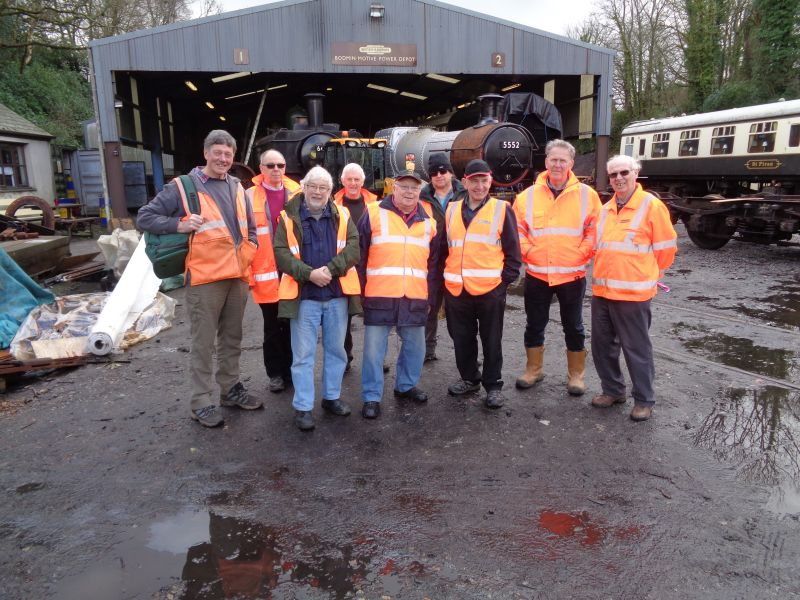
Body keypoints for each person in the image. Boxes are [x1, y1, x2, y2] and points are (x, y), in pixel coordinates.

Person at [137, 129, 261, 427]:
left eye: (228, 154)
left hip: (237, 276)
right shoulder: (184, 187)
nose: (222, 158)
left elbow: (252, 229)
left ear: (233, 158)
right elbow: (144, 217)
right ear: (206, 153)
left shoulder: (237, 187)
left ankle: (230, 389)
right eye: (217, 153)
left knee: (232, 338)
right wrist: (178, 224)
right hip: (205, 278)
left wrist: (250, 249)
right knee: (203, 342)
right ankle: (201, 402)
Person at [273, 166, 361, 431]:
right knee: (302, 356)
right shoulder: (288, 217)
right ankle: (303, 407)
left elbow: (354, 247)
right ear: (304, 186)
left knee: (336, 351)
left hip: (336, 296)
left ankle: (331, 397)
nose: (318, 192)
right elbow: (281, 253)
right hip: (305, 297)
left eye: (324, 188)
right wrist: (309, 275)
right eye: (314, 186)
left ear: (330, 191)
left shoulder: (342, 215)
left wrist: (331, 271)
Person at [590, 155, 677, 421]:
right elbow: (599, 248)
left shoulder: (651, 206)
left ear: (635, 173)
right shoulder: (605, 210)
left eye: (623, 172)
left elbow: (666, 250)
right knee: (602, 347)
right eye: (613, 174)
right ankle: (613, 390)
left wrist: (648, 274)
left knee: (636, 349)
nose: (618, 178)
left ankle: (644, 400)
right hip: (603, 293)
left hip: (633, 295)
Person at [512, 139, 602, 396]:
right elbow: (517, 231)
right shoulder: (526, 197)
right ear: (546, 161)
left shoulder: (588, 196)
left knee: (573, 326)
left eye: (563, 160)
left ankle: (576, 376)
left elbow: (595, 230)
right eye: (554, 159)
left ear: (571, 164)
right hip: (537, 273)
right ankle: (534, 370)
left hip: (572, 274)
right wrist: (529, 252)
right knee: (534, 323)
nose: (558, 164)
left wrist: (581, 253)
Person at [356, 169, 440, 419]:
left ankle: (405, 386)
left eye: (414, 188)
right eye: (404, 187)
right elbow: (359, 256)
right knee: (373, 351)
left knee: (415, 346)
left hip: (414, 294)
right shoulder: (372, 213)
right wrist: (359, 293)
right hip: (379, 294)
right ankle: (371, 397)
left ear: (420, 191)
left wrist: (431, 298)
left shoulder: (429, 221)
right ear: (394, 188)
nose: (409, 192)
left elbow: (434, 264)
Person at [444, 159, 521, 408]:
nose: (479, 186)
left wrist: (502, 284)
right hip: (457, 289)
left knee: (491, 339)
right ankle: (469, 379)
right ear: (464, 182)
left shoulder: (502, 209)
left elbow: (513, 253)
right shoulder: (452, 209)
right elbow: (446, 247)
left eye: (484, 181)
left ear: (490, 181)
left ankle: (493, 385)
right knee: (462, 338)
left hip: (490, 290)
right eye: (474, 181)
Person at [246, 149, 295, 394]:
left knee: (294, 326)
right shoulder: (248, 197)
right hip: (265, 273)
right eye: (270, 165)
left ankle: (291, 371)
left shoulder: (297, 192)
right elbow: (242, 238)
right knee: (272, 327)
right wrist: (247, 273)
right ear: (261, 168)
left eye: (280, 164)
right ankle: (275, 373)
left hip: (293, 272)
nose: (276, 169)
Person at [419, 152, 466, 362]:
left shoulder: (465, 195)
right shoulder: (422, 197)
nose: (439, 175)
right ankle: (428, 350)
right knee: (429, 307)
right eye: (434, 172)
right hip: (432, 262)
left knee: (459, 312)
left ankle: (466, 351)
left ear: (450, 172)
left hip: (458, 261)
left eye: (443, 170)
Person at [333, 163, 378, 371]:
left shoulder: (376, 205)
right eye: (349, 179)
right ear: (342, 181)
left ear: (363, 181)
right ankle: (346, 357)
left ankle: (376, 359)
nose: (353, 183)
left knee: (376, 318)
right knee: (344, 318)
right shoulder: (332, 205)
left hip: (371, 270)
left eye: (356, 179)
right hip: (344, 270)